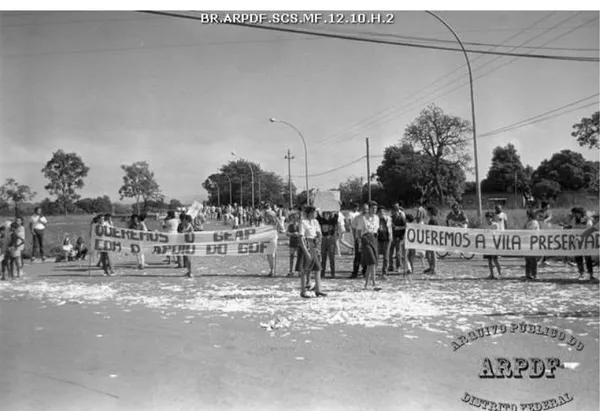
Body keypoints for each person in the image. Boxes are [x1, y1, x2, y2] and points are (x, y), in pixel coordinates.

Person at [297, 206, 326, 298]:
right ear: (310, 213)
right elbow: (301, 238)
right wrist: (306, 252)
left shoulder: (315, 222)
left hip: (314, 244)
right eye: (315, 212)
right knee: (305, 269)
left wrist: (319, 241)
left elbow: (319, 233)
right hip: (307, 244)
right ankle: (303, 291)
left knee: (317, 267)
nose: (316, 214)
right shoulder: (303, 222)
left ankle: (318, 290)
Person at [356, 201, 380, 290]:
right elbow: (358, 231)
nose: (374, 210)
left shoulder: (377, 218)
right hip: (365, 239)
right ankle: (374, 283)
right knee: (372, 261)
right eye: (372, 208)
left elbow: (376, 230)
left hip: (374, 238)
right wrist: (359, 242)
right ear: (369, 209)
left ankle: (366, 284)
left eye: (375, 208)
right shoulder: (363, 218)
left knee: (372, 263)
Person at [570, 207, 595, 281]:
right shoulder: (574, 220)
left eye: (576, 213)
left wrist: (585, 221)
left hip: (586, 241)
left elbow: (590, 227)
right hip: (577, 241)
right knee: (578, 258)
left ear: (580, 213)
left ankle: (590, 274)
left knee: (587, 258)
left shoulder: (588, 219)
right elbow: (573, 228)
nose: (574, 215)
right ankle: (581, 273)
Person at [317, 210, 338, 278]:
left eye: (328, 213)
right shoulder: (321, 220)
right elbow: (317, 215)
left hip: (331, 238)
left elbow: (336, 213)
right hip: (324, 238)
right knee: (323, 256)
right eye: (325, 213)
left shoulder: (333, 220)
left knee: (331, 256)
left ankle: (333, 273)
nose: (326, 215)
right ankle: (322, 272)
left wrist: (337, 206)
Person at [350, 204, 368, 279]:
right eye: (364, 209)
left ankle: (365, 271)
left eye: (366, 209)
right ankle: (355, 272)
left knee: (366, 256)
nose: (365, 210)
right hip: (359, 239)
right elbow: (353, 228)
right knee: (358, 256)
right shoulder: (357, 218)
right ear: (361, 209)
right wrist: (355, 237)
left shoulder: (369, 218)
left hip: (367, 239)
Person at [483, 211, 502, 279]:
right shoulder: (485, 225)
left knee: (495, 260)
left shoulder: (495, 225)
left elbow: (497, 234)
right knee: (489, 260)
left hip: (494, 244)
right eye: (487, 218)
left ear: (492, 218)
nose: (488, 219)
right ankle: (491, 274)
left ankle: (500, 274)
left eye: (489, 217)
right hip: (488, 244)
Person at [389, 202, 407, 272]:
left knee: (398, 252)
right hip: (391, 237)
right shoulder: (390, 218)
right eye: (393, 211)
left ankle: (398, 266)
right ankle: (390, 266)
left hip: (398, 237)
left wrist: (398, 228)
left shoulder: (401, 217)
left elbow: (405, 227)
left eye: (395, 211)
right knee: (390, 252)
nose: (394, 212)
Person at [376, 207, 393, 279]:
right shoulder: (376, 219)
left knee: (386, 257)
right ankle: (374, 271)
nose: (382, 213)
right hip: (378, 239)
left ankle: (384, 272)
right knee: (376, 256)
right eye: (380, 212)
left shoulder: (388, 219)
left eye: (383, 212)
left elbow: (391, 228)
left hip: (387, 239)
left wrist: (390, 237)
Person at [524, 209, 540, 280]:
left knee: (533, 259)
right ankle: (528, 273)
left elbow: (530, 231)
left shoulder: (534, 222)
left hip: (533, 242)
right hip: (527, 242)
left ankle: (534, 274)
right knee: (527, 259)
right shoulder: (527, 222)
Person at [423, 205, 439, 275]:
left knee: (432, 253)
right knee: (428, 254)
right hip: (430, 238)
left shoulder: (433, 220)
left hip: (433, 238)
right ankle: (431, 267)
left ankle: (433, 269)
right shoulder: (431, 219)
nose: (426, 212)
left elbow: (433, 229)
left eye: (427, 211)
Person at [286, 213, 301, 277]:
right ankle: (291, 270)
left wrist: (296, 234)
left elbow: (301, 233)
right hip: (292, 243)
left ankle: (299, 271)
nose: (293, 220)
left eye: (294, 218)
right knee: (291, 257)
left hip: (298, 243)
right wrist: (293, 234)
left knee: (299, 258)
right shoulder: (290, 226)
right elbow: (287, 233)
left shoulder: (300, 226)